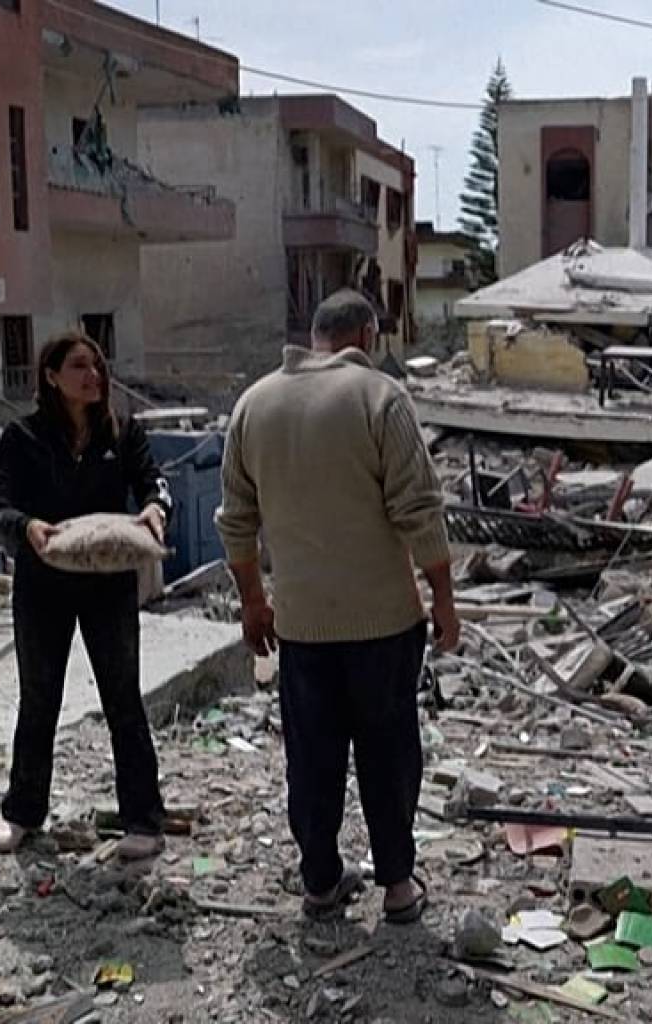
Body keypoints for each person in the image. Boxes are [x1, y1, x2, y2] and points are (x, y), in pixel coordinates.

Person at [216, 289, 459, 923]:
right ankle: (399, 884)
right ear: (367, 334)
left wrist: (251, 602)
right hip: (382, 623)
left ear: (315, 333)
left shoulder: (254, 404)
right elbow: (419, 510)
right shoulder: (379, 397)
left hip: (300, 625)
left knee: (313, 756)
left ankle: (320, 882)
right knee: (390, 753)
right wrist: (444, 601)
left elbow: (235, 520)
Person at [0, 331, 173, 859]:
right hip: (42, 587)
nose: (93, 375)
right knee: (39, 699)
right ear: (51, 376)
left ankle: (143, 820)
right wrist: (27, 528)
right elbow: (0, 507)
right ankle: (22, 813)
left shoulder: (122, 431)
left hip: (108, 586)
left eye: (96, 365)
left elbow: (153, 483)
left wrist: (156, 510)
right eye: (78, 366)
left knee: (123, 700)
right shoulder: (22, 437)